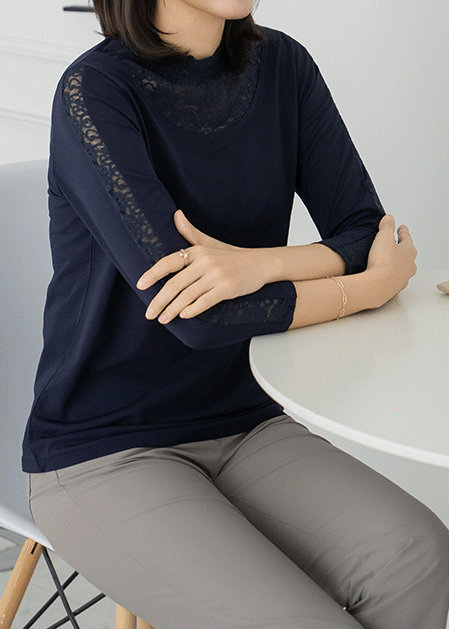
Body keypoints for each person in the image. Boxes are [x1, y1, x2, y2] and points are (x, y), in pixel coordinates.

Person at [23, 1, 449, 627]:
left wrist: (259, 265)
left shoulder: (283, 66)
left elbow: (364, 230)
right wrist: (366, 289)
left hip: (247, 421)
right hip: (106, 448)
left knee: (418, 556)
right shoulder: (94, 91)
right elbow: (198, 319)